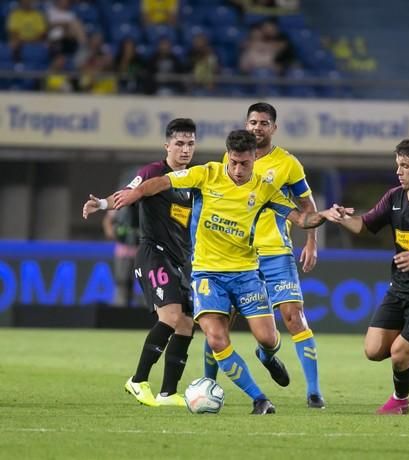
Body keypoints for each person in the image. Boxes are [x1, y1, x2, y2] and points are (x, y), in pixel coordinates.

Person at [112, 129, 337, 414]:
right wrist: (135, 192)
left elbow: (300, 218)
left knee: (268, 338)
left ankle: (267, 357)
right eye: (233, 162)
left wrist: (324, 216)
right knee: (216, 338)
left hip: (245, 273)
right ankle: (259, 399)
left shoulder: (265, 189)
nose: (238, 169)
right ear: (227, 157)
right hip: (207, 274)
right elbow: (162, 181)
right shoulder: (207, 174)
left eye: (244, 163)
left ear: (255, 159)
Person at [205, 102, 325, 409]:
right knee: (218, 320)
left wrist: (311, 242)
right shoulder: (232, 159)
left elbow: (307, 206)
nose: (257, 127)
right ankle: (209, 386)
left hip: (276, 252)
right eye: (253, 122)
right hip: (236, 254)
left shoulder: (288, 164)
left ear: (274, 128)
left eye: (264, 123)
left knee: (293, 316)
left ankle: (313, 392)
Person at [327, 138, 409, 415]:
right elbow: (364, 225)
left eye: (406, 166)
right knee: (373, 351)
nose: (399, 171)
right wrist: (340, 217)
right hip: (400, 287)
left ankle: (400, 400)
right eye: (398, 164)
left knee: (399, 354)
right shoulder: (394, 196)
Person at [82, 118, 197, 407]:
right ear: (167, 145)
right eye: (179, 144)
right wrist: (104, 204)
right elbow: (129, 192)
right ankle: (137, 380)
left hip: (179, 259)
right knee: (170, 317)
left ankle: (168, 393)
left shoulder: (194, 178)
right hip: (152, 253)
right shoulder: (152, 172)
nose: (185, 150)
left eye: (190, 144)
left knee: (186, 323)